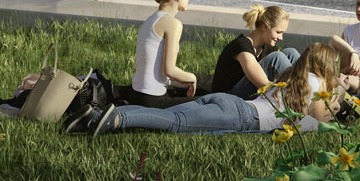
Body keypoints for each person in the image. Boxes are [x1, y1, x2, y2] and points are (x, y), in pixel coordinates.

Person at [84, 42, 345, 138]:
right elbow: (321, 122)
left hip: (229, 101)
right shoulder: (316, 86)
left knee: (174, 113)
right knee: (173, 122)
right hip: (241, 116)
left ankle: (94, 117)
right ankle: (117, 118)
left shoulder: (293, 75)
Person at [121, 0, 198, 108]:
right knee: (206, 102)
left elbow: (155, 70)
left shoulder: (151, 20)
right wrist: (193, 78)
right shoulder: (173, 24)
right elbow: (169, 70)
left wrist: (176, 82)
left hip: (137, 93)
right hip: (152, 99)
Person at [210, 5, 301, 99]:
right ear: (264, 26)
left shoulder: (267, 47)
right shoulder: (241, 46)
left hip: (245, 94)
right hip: (226, 98)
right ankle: (298, 97)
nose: (281, 38)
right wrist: (281, 91)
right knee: (277, 58)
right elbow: (264, 86)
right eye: (278, 32)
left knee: (291, 52)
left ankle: (308, 90)